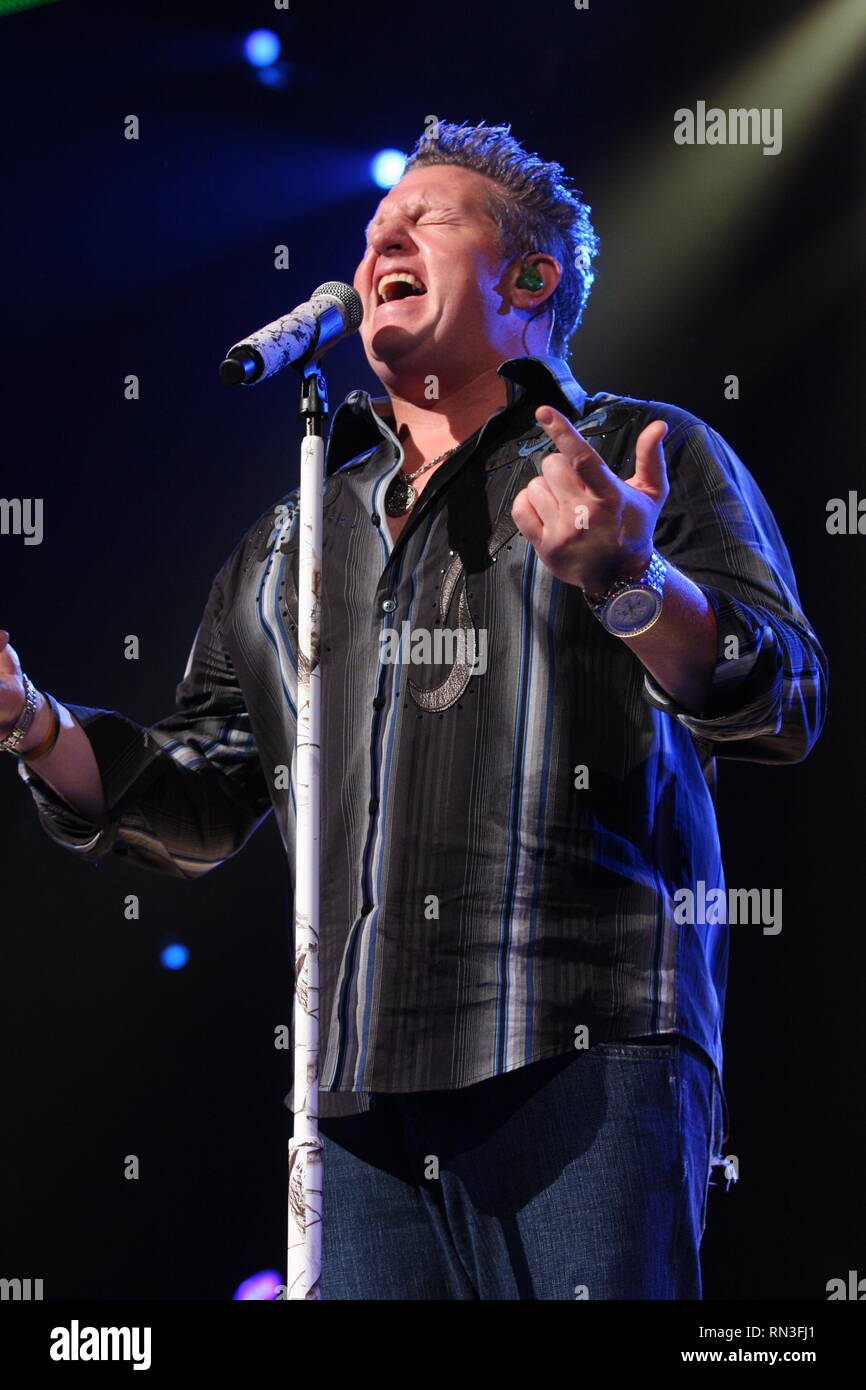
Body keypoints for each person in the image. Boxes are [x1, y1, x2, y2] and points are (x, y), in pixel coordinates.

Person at [1, 121, 827, 1300]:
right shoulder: (294, 529)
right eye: (374, 225)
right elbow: (195, 794)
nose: (381, 234)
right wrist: (30, 720)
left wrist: (628, 581)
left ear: (529, 278)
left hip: (580, 1051)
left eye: (427, 219)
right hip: (350, 1101)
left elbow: (782, 699)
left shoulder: (634, 456)